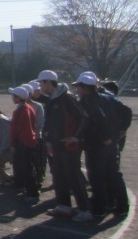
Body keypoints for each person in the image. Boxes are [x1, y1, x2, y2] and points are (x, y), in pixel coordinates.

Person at [73, 72, 129, 218]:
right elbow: (126, 111)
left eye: (79, 87)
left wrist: (105, 137)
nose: (77, 90)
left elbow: (99, 119)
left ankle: (100, 208)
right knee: (114, 174)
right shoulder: (108, 98)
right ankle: (122, 206)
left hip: (96, 145)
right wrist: (122, 129)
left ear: (85, 88)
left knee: (96, 177)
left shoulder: (87, 102)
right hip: (111, 145)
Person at [38, 70, 91, 222]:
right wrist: (48, 142)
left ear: (48, 82)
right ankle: (63, 205)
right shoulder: (51, 100)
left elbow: (83, 118)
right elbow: (48, 123)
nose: (40, 86)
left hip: (69, 146)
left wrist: (76, 137)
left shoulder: (66, 98)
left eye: (41, 83)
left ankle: (84, 209)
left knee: (73, 176)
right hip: (56, 145)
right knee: (58, 174)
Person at [8, 86, 39, 204]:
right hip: (30, 142)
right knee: (28, 168)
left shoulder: (20, 111)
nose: (12, 98)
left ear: (19, 97)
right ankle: (29, 190)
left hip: (23, 143)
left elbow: (15, 130)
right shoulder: (29, 108)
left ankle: (32, 193)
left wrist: (13, 143)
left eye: (13, 96)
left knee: (27, 169)